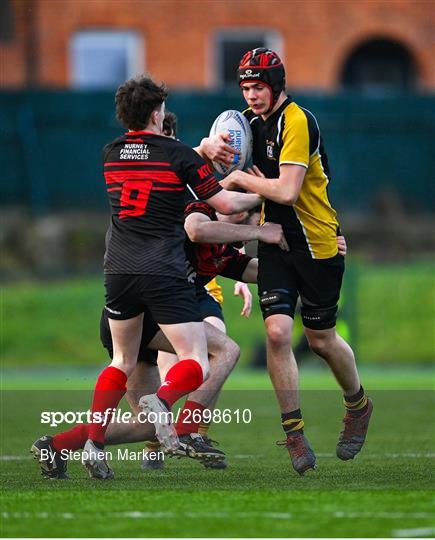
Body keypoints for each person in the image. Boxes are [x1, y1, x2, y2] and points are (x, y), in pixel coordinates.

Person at [31, 74, 265, 480]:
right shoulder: (180, 158)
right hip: (161, 274)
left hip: (117, 272)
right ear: (158, 114)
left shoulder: (110, 153)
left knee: (124, 367)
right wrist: (272, 191)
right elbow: (220, 201)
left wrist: (198, 153)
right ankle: (179, 416)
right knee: (201, 360)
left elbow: (151, 163)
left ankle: (82, 445)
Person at [216, 48, 373, 475]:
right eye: (246, 87)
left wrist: (235, 178)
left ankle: (357, 405)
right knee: (277, 331)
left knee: (321, 340)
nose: (251, 95)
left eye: (259, 87)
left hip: (318, 243)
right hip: (275, 241)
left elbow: (286, 191)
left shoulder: (298, 121)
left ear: (277, 85)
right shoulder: (246, 125)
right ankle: (294, 431)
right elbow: (256, 197)